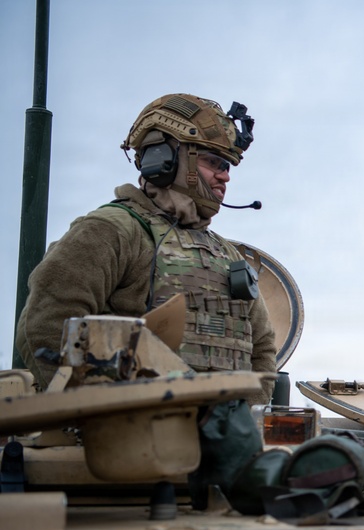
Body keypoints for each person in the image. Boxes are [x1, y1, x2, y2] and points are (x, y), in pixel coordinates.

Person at [15, 93, 276, 405]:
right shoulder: (111, 230)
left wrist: (240, 427)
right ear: (163, 160)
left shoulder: (227, 255)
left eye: (227, 166)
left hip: (222, 443)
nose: (225, 176)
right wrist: (95, 418)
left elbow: (261, 348)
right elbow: (47, 325)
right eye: (213, 162)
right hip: (128, 437)